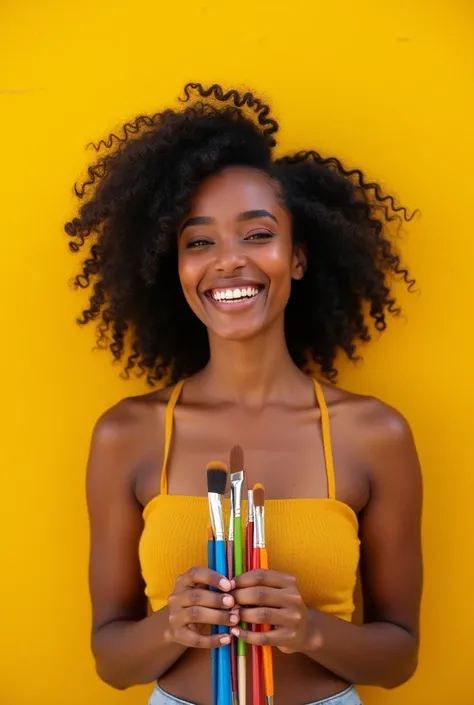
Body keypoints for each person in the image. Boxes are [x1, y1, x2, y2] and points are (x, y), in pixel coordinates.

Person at [66, 83, 423, 705]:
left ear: (300, 256)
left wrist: (310, 630)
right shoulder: (128, 435)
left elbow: (398, 658)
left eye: (257, 234)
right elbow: (112, 661)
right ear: (171, 267)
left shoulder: (374, 435)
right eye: (199, 242)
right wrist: (171, 624)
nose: (228, 261)